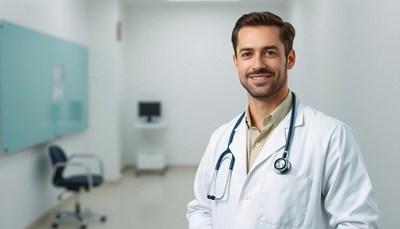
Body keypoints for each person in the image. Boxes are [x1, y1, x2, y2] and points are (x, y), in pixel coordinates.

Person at [186, 11, 380, 229]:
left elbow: (357, 223)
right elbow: (201, 209)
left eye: (269, 52)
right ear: (236, 62)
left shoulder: (331, 136)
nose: (257, 64)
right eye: (247, 54)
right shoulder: (221, 138)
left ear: (290, 59)